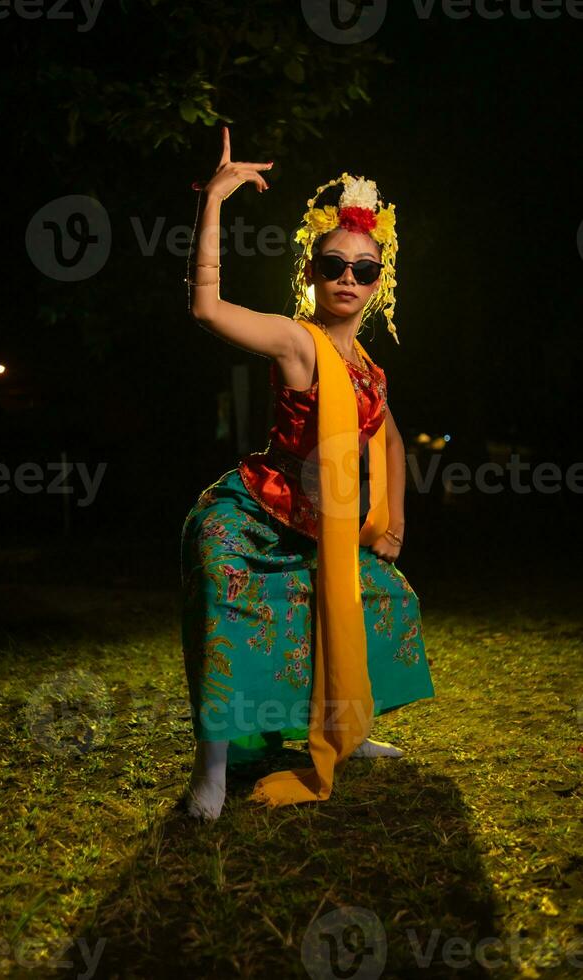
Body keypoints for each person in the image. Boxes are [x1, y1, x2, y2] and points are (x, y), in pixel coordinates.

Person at [180, 126, 435, 821]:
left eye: (364, 269)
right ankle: (213, 761)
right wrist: (216, 204)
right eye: (334, 265)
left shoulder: (368, 370)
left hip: (324, 523)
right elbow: (206, 307)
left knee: (383, 601)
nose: (348, 279)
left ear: (381, 283)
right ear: (311, 272)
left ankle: (345, 730)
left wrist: (394, 523)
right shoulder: (300, 341)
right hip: (256, 511)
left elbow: (389, 438)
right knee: (231, 607)